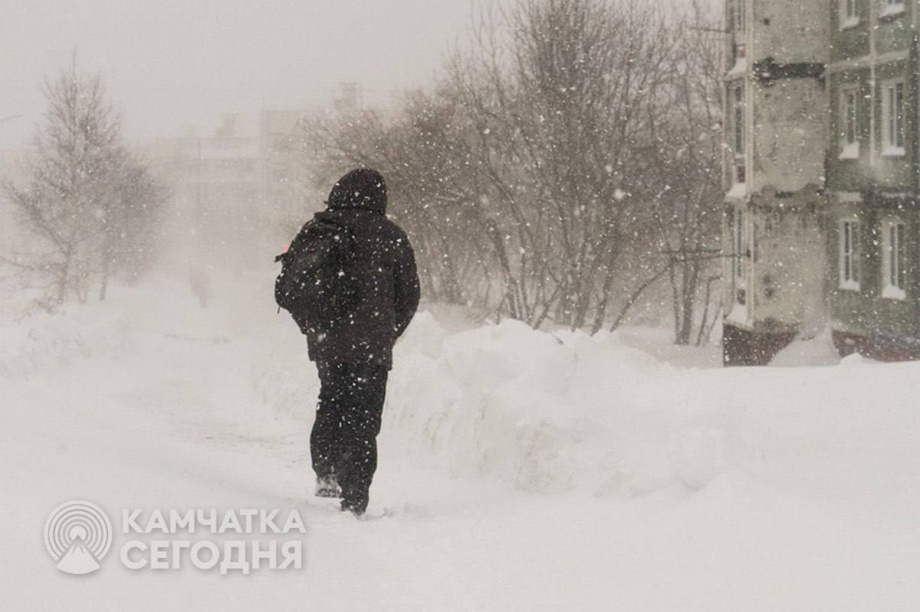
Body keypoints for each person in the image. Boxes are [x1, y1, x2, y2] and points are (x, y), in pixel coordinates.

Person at [301, 168, 419, 516]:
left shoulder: (320, 228)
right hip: (372, 346)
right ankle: (354, 495)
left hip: (328, 340)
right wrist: (387, 332)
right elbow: (409, 296)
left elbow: (299, 285)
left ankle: (326, 470)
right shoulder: (391, 236)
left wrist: (316, 327)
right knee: (363, 417)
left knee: (331, 401)